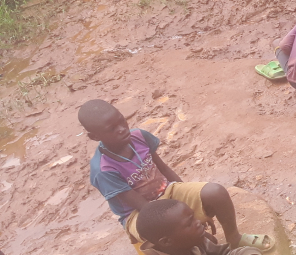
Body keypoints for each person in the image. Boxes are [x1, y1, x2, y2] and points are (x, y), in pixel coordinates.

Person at [80, 99, 273, 250]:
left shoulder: (139, 136)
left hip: (166, 191)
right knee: (183, 233)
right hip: (139, 214)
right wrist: (192, 224)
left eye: (121, 120)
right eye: (112, 129)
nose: (122, 128)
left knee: (216, 192)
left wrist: (190, 209)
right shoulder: (104, 169)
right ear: (95, 137)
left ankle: (234, 239)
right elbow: (144, 208)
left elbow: (163, 169)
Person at [136, 199, 266, 255]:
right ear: (166, 241)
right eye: (189, 223)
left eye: (194, 216)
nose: (198, 222)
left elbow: (223, 252)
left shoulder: (193, 241)